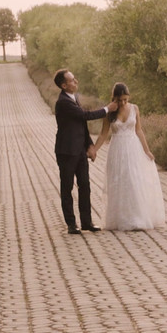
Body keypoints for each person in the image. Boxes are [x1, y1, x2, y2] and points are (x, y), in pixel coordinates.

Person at [93, 83, 165, 231]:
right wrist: (94, 149)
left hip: (133, 148)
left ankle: (138, 217)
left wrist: (147, 150)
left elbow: (139, 130)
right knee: (119, 181)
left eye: (125, 99)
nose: (123, 103)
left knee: (134, 180)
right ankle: (121, 218)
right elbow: (103, 134)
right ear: (114, 98)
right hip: (117, 149)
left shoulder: (134, 108)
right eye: (120, 100)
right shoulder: (109, 112)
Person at [54, 69, 118, 235]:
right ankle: (71, 224)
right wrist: (107, 109)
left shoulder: (74, 98)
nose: (76, 82)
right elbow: (85, 115)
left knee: (85, 185)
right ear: (63, 85)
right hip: (66, 151)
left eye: (75, 79)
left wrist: (90, 145)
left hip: (80, 150)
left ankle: (86, 221)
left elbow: (81, 124)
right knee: (67, 187)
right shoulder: (63, 102)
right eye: (72, 80)